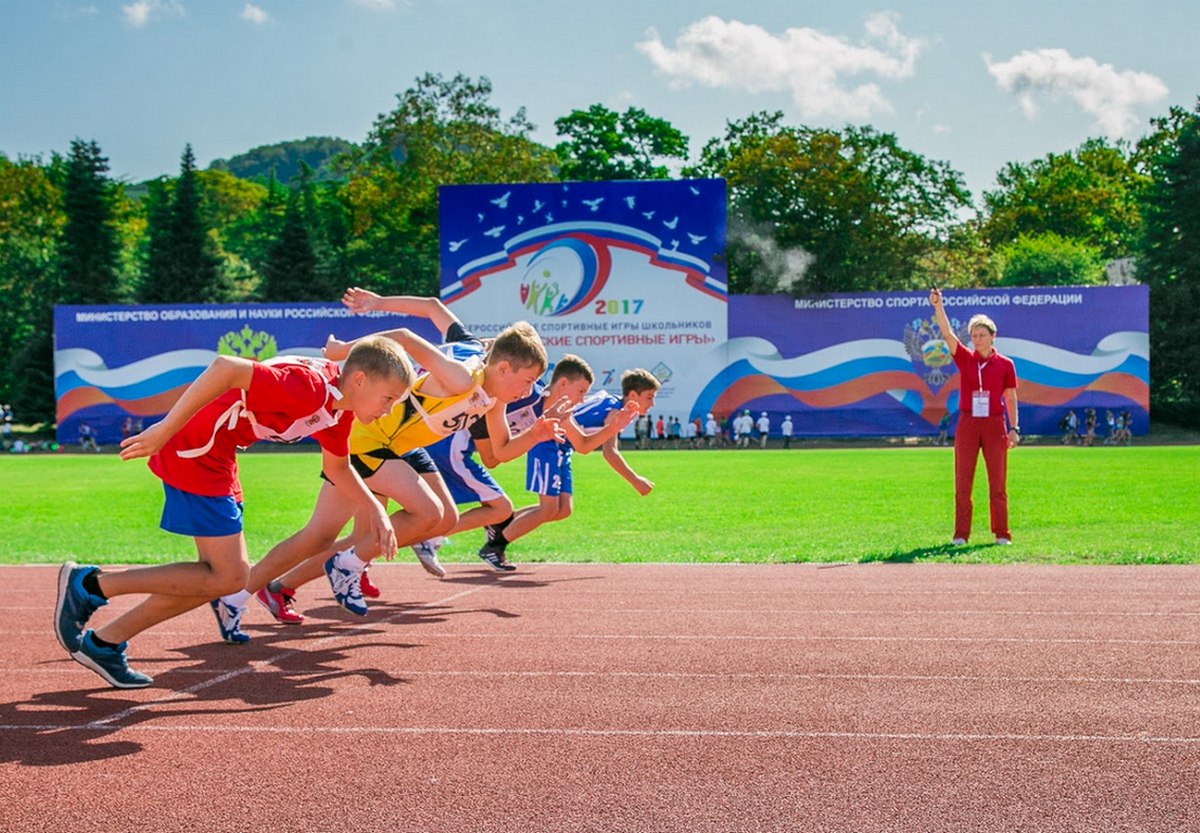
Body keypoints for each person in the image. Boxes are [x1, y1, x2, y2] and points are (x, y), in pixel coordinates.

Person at [53, 339, 413, 688]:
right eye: (388, 398)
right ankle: (90, 586)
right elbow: (226, 367)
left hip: (219, 456)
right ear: (359, 380)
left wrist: (376, 513)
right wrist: (166, 428)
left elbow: (338, 469)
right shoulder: (308, 388)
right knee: (229, 577)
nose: (389, 408)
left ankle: (105, 642)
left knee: (217, 577)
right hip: (195, 448)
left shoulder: (338, 412)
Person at [248, 289, 562, 624]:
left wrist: (535, 434)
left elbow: (496, 455)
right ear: (502, 368)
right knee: (353, 530)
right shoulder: (462, 377)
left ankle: (294, 581)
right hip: (369, 437)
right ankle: (324, 570)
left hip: (399, 445)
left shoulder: (492, 395)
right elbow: (404, 337)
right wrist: (346, 349)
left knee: (441, 519)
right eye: (528, 380)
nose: (530, 391)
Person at [477, 359, 644, 567]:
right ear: (563, 384)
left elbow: (582, 445)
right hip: (530, 443)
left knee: (563, 510)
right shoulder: (527, 396)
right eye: (581, 391)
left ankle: (500, 524)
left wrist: (613, 427)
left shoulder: (563, 413)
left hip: (551, 445)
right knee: (547, 509)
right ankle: (495, 545)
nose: (582, 400)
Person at [930, 287, 1020, 547]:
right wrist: (938, 306)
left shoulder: (1006, 364)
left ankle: (1002, 534)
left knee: (998, 482)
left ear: (993, 336)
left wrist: (1013, 427)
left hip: (994, 423)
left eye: (982, 335)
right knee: (963, 481)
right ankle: (960, 535)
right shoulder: (965, 359)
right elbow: (946, 333)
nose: (977, 339)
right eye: (973, 335)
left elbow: (1011, 397)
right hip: (968, 423)